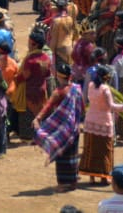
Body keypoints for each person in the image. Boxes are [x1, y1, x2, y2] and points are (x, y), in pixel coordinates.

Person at [82, 64, 123, 186]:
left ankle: (92, 177)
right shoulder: (106, 89)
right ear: (107, 78)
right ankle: (104, 177)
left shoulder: (91, 86)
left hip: (90, 121)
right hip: (104, 123)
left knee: (91, 150)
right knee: (105, 151)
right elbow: (112, 107)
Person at [35, 62, 85, 193]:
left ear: (59, 76)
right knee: (72, 157)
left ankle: (63, 184)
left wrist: (38, 118)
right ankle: (72, 182)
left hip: (61, 131)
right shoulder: (77, 89)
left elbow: (48, 106)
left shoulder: (58, 92)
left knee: (62, 158)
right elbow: (82, 107)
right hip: (74, 128)